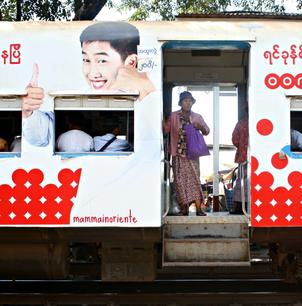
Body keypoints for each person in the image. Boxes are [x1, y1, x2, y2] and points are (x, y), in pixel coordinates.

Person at [22, 22, 155, 147]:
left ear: (131, 62)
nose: (92, 73)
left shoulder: (146, 97)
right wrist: (29, 112)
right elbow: (40, 138)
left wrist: (147, 91)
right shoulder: (75, 95)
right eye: (86, 60)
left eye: (102, 61)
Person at [163, 91, 210, 216]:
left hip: (192, 154)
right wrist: (162, 117)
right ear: (180, 103)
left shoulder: (197, 116)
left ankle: (199, 209)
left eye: (190, 100)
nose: (188, 103)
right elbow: (165, 130)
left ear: (193, 102)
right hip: (178, 154)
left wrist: (200, 127)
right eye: (185, 101)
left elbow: (207, 131)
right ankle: (184, 209)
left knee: (194, 179)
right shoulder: (173, 116)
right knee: (179, 181)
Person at [231, 107, 249, 214]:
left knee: (241, 181)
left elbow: (234, 140)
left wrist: (242, 146)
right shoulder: (260, 121)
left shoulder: (241, 123)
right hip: (258, 157)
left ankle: (238, 206)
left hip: (243, 156)